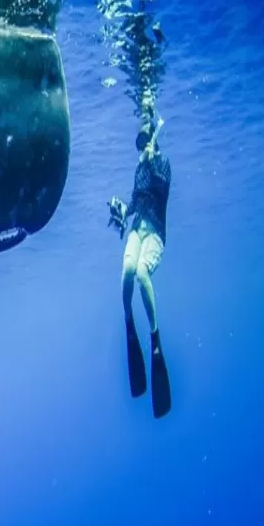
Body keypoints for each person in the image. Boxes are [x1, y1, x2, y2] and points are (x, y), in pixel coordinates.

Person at [107, 119, 172, 418]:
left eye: (145, 142)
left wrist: (151, 159)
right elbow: (135, 201)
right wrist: (121, 209)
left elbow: (160, 183)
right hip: (137, 228)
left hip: (155, 232)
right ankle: (129, 322)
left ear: (154, 142)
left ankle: (155, 335)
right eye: (140, 144)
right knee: (127, 270)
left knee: (143, 272)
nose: (141, 148)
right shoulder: (139, 168)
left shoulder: (162, 165)